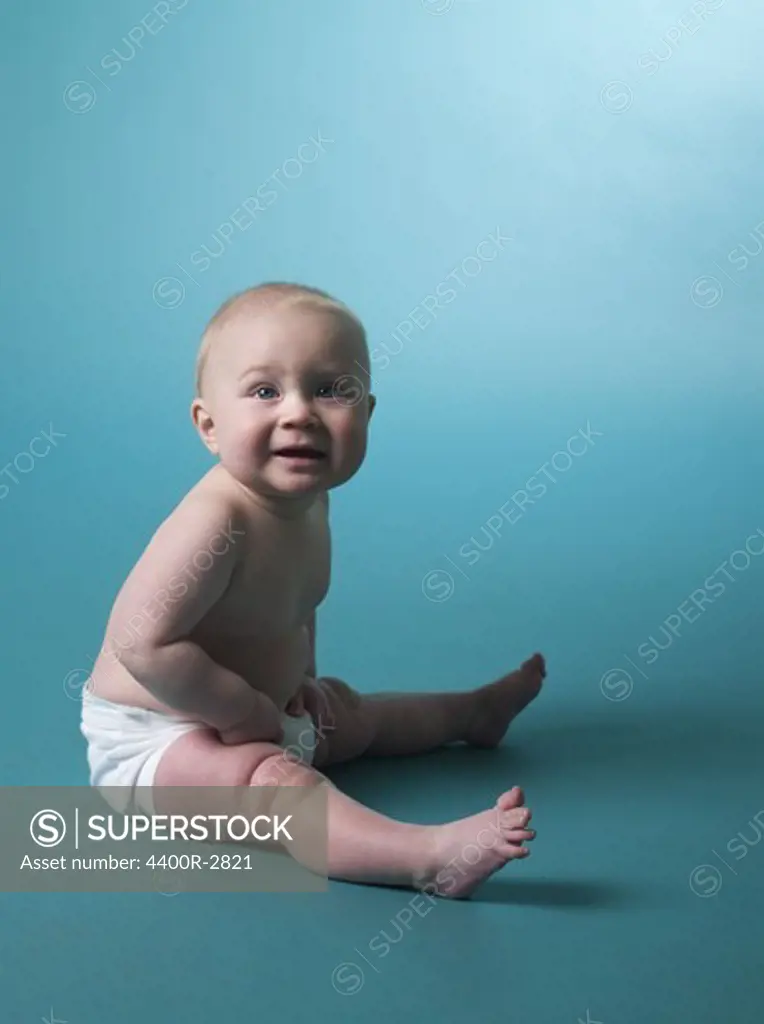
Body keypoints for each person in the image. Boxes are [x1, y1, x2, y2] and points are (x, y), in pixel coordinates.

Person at [80, 281, 546, 897]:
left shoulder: (308, 504)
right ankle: (425, 858)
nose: (298, 412)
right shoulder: (216, 522)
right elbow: (143, 645)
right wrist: (243, 710)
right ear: (209, 425)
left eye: (330, 389)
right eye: (265, 391)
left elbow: (296, 607)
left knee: (352, 714)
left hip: (265, 709)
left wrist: (301, 683)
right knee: (275, 787)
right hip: (157, 740)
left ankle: (472, 713)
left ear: (368, 415)